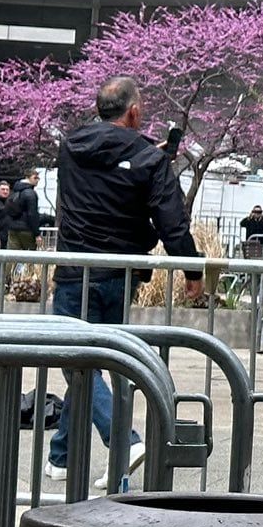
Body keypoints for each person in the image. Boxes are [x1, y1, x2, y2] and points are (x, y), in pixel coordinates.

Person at [46, 75, 203, 488]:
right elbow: (172, 222)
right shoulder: (149, 161)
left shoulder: (71, 147)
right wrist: (192, 271)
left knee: (79, 362)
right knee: (91, 363)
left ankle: (61, 457)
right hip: (118, 275)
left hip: (72, 272)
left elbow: (109, 157)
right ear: (133, 111)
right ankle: (125, 442)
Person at [6, 169, 43, 250]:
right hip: (26, 229)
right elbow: (32, 214)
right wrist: (37, 234)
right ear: (28, 178)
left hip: (13, 227)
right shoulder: (31, 193)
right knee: (29, 258)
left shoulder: (15, 191)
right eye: (35, 177)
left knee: (12, 258)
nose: (37, 180)